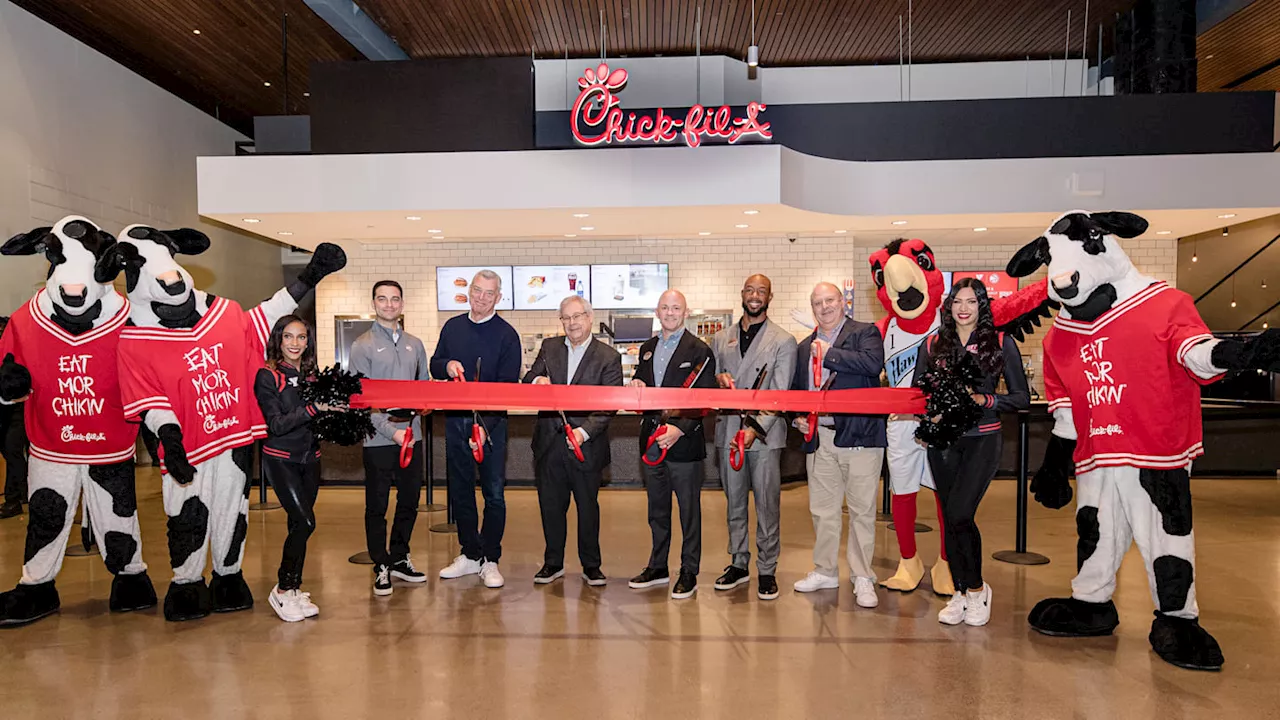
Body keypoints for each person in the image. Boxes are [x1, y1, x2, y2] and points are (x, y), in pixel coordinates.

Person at [914, 277, 1029, 627]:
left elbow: (1021, 398)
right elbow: (918, 391)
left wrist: (986, 399)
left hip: (983, 438)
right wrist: (928, 410)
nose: (964, 308)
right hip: (943, 442)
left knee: (962, 513)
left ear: (982, 306)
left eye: (972, 301)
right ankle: (960, 592)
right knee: (950, 518)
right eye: (957, 301)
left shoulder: (1001, 342)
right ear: (949, 306)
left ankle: (978, 590)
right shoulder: (933, 343)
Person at [791, 282, 886, 608]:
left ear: (842, 302)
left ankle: (862, 575)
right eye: (817, 302)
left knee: (861, 510)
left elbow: (872, 365)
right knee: (823, 511)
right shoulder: (804, 347)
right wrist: (798, 419)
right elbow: (798, 393)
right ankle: (826, 570)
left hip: (860, 437)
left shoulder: (865, 333)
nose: (824, 307)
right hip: (821, 440)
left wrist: (828, 353)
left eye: (829, 300)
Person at [431, 270, 522, 589]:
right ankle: (470, 554)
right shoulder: (452, 327)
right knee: (460, 490)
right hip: (456, 422)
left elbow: (509, 388)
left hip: (492, 427)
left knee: (494, 494)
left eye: (489, 293)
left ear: (499, 298)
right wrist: (447, 366)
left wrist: (485, 428)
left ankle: (491, 558)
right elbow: (434, 362)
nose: (481, 297)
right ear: (469, 292)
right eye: (477, 291)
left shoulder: (507, 335)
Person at [710, 274, 797, 600]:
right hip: (729, 432)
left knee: (767, 505)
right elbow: (713, 383)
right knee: (734, 503)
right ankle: (738, 561)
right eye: (750, 290)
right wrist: (718, 379)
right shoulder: (721, 338)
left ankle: (767, 568)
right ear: (742, 294)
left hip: (763, 436)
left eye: (761, 291)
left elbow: (781, 391)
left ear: (770, 297)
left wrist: (753, 429)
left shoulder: (783, 340)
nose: (755, 295)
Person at [524, 296, 622, 586]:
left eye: (577, 316)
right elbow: (530, 376)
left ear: (590, 318)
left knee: (587, 507)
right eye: (566, 318)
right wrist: (536, 381)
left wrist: (583, 432)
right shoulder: (549, 348)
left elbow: (610, 403)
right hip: (549, 444)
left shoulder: (608, 356)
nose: (572, 323)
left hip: (587, 446)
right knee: (551, 507)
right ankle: (553, 563)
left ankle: (591, 565)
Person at [627, 290, 716, 599]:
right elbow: (643, 381)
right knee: (657, 510)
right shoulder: (648, 349)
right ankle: (658, 566)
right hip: (651, 440)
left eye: (676, 308)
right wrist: (636, 384)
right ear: (657, 311)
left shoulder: (700, 350)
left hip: (684, 444)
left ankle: (689, 570)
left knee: (688, 511)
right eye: (665, 307)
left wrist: (679, 429)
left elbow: (704, 401)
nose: (670, 312)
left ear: (685, 311)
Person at [254, 315, 339, 622]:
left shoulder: (312, 374)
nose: (294, 343)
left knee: (297, 526)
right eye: (288, 336)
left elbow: (318, 419)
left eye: (301, 337)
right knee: (305, 522)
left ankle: (293, 589)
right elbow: (275, 424)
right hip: (280, 458)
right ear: (278, 339)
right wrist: (313, 409)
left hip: (310, 459)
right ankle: (282, 588)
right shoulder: (268, 376)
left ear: (308, 341)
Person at [349, 280, 430, 597]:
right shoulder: (362, 345)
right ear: (374, 303)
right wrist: (391, 431)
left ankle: (399, 557)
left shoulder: (415, 343)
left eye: (395, 299)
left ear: (402, 304)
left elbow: (424, 387)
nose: (389, 304)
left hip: (413, 436)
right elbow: (362, 400)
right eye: (382, 299)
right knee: (377, 507)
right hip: (379, 439)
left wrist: (421, 412)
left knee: (410, 502)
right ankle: (380, 563)